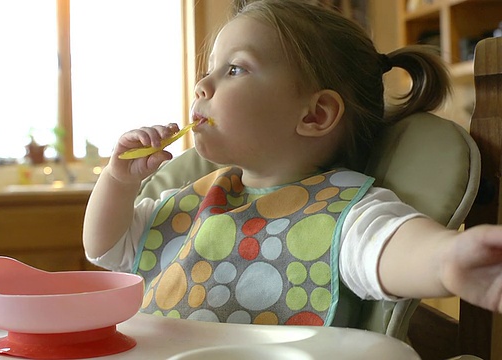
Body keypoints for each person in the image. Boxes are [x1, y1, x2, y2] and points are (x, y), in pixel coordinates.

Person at [83, 0, 502, 327]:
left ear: (314, 115)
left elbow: (393, 247)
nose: (202, 85)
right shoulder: (191, 201)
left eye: (234, 69)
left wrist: (448, 259)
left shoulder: (342, 215)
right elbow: (105, 248)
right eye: (210, 70)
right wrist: (118, 180)